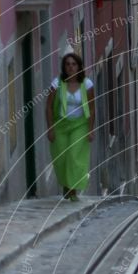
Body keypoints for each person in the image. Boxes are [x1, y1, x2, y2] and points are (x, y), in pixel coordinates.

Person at [46, 53, 95, 201]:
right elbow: (48, 107)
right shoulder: (57, 84)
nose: (70, 67)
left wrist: (91, 129)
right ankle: (66, 184)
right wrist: (50, 129)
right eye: (67, 64)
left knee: (74, 156)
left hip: (79, 124)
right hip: (60, 124)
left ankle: (72, 189)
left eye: (74, 64)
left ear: (79, 67)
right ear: (64, 67)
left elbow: (92, 108)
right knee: (61, 157)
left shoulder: (87, 84)